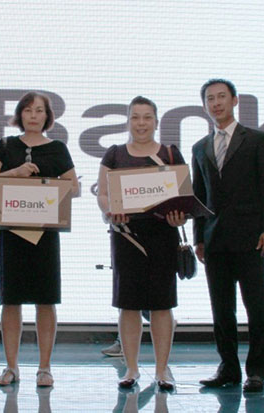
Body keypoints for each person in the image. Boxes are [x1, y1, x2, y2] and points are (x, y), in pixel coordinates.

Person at [0, 92, 79, 387]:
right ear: (19, 114)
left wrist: (46, 185)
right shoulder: (7, 145)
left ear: (48, 116)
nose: (34, 115)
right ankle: (11, 367)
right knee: (10, 301)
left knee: (45, 301)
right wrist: (16, 172)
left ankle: (44, 368)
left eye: (39, 111)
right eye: (28, 110)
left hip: (44, 234)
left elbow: (74, 188)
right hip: (11, 233)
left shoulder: (57, 148)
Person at [192, 79, 264, 393]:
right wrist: (198, 238)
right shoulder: (199, 147)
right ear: (205, 105)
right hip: (214, 241)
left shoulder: (257, 139)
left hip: (251, 237)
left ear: (234, 100)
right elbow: (198, 195)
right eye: (210, 99)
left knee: (256, 308)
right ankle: (228, 368)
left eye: (221, 97)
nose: (216, 103)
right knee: (221, 310)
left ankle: (256, 372)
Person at [97, 96, 186, 391]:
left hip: (163, 237)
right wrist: (110, 210)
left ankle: (162, 371)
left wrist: (179, 217)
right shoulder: (114, 154)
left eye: (147, 117)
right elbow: (103, 194)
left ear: (156, 121)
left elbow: (183, 197)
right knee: (128, 305)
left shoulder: (171, 153)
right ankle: (131, 369)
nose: (141, 123)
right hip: (126, 237)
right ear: (128, 121)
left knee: (162, 305)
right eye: (135, 117)